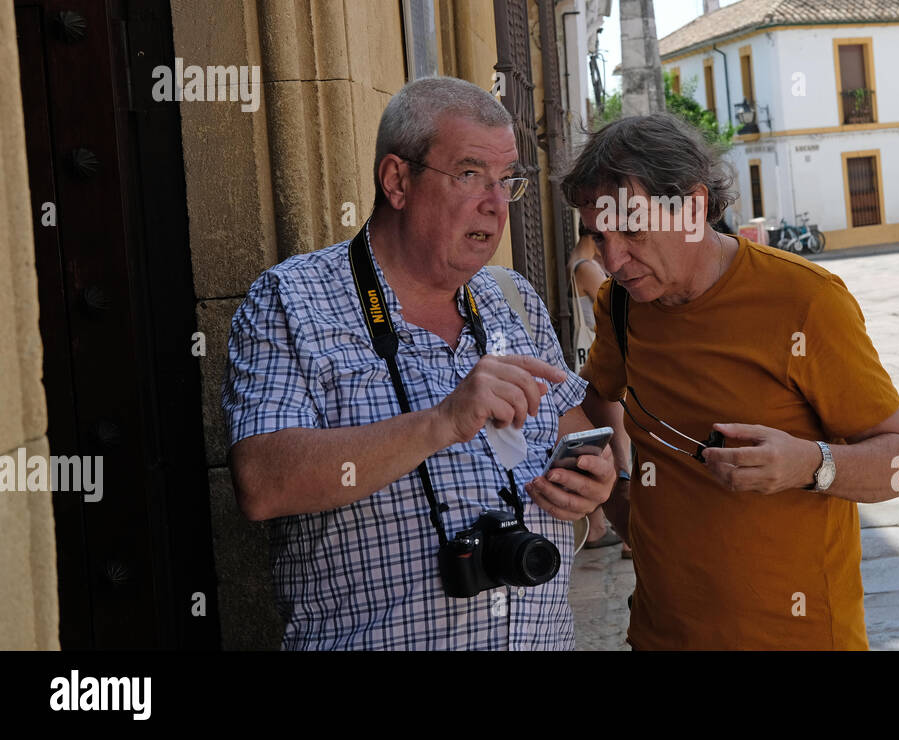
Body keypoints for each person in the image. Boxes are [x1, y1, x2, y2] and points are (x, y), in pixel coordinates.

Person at [223, 76, 616, 650]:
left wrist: (592, 481)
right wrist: (440, 422)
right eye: (469, 174)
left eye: (507, 180)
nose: (495, 202)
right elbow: (261, 482)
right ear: (397, 181)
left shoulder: (512, 298)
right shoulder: (292, 300)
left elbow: (576, 434)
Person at [561, 113, 899, 651]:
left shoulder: (806, 301)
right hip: (661, 636)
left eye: (633, 230)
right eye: (599, 236)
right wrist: (617, 493)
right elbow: (597, 395)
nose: (613, 259)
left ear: (692, 206)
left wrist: (809, 464)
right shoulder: (621, 305)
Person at [568, 231, 631, 552]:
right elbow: (611, 306)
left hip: (597, 362)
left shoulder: (577, 261)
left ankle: (599, 527)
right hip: (599, 361)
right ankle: (626, 536)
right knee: (618, 447)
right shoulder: (587, 267)